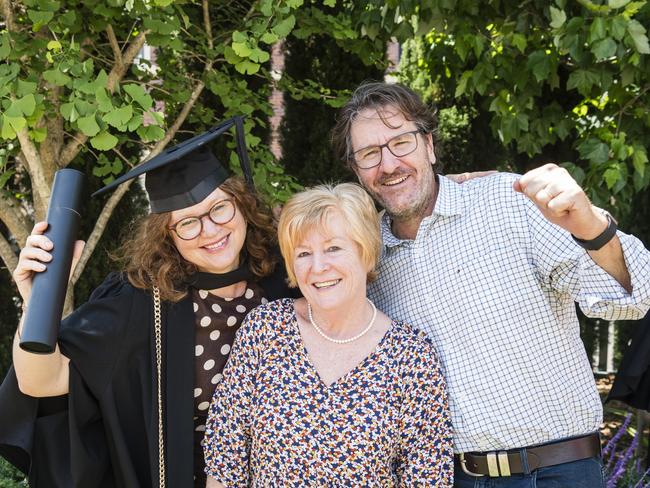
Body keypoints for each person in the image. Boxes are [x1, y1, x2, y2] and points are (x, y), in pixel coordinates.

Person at [330, 82, 650, 487]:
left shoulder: (508, 202)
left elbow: (631, 297)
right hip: (450, 478)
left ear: (429, 145)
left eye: (401, 143)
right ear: (356, 169)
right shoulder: (367, 256)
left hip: (556, 472)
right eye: (369, 154)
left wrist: (591, 227)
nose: (388, 164)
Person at [0, 117, 296, 487]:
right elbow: (41, 382)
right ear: (166, 235)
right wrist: (35, 302)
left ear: (242, 205)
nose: (211, 229)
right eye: (188, 222)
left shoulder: (285, 278)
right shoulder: (140, 303)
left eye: (220, 208)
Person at [203, 183, 454, 486]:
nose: (318, 267)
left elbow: (427, 478)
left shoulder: (410, 355)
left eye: (334, 248)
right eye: (304, 253)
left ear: (366, 252)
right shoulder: (266, 328)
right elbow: (224, 455)